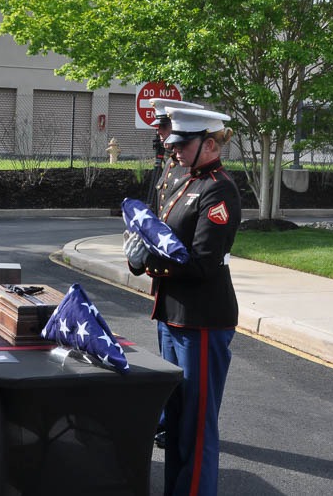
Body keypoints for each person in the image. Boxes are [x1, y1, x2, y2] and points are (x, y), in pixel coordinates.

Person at [125, 107, 240, 496]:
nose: (173, 149)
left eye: (182, 144)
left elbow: (203, 263)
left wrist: (150, 261)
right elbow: (159, 232)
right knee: (175, 419)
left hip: (202, 319)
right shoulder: (180, 178)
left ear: (209, 145)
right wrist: (137, 255)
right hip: (172, 314)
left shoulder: (218, 189)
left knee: (196, 424)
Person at [147, 97, 205, 448]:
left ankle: (178, 426)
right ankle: (168, 420)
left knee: (189, 379)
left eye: (166, 127)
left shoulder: (195, 173)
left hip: (184, 282)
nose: (162, 134)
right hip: (167, 285)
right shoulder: (171, 164)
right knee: (167, 362)